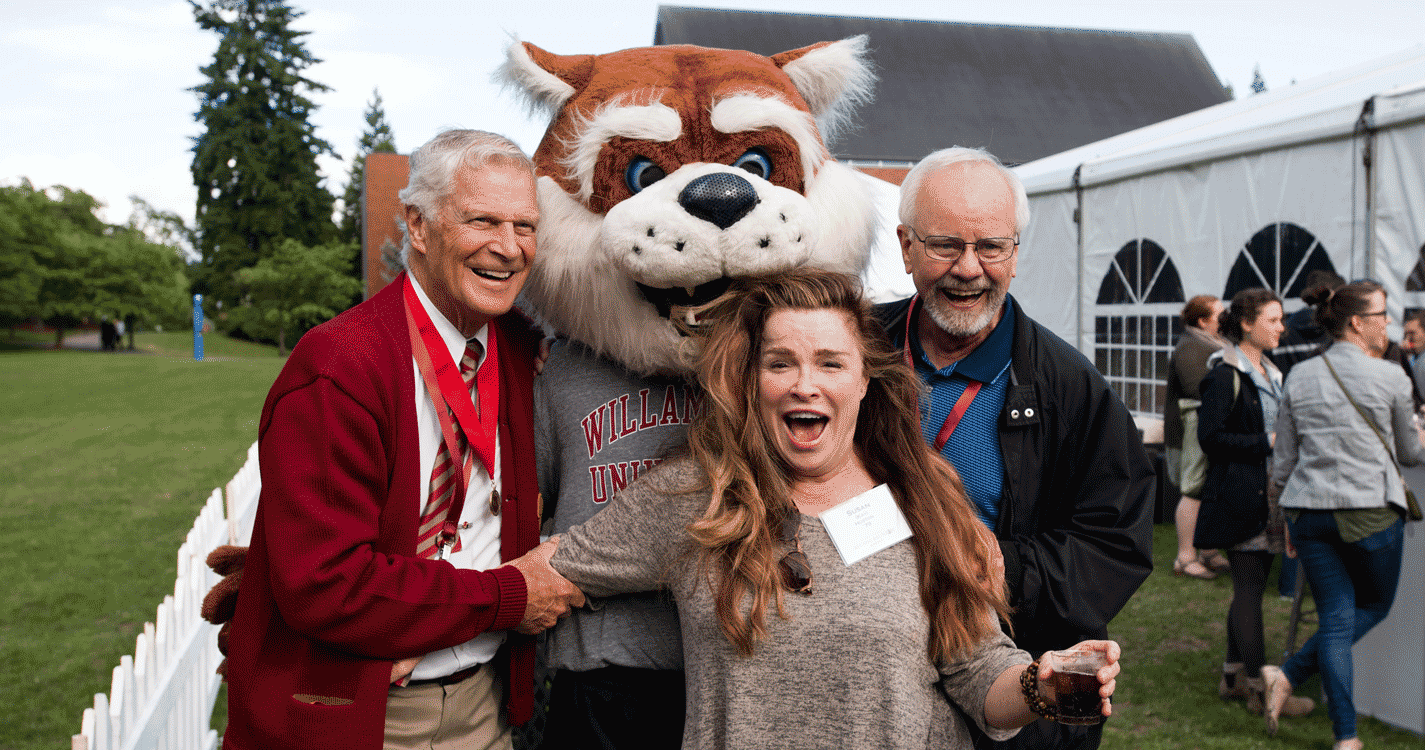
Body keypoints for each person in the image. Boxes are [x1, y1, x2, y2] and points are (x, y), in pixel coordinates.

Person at [544, 268, 1121, 749]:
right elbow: (547, 574)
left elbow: (977, 670)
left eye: (829, 363)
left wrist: (1038, 687)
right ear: (751, 380)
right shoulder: (698, 498)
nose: (804, 385)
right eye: (780, 364)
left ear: (865, 378)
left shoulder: (924, 503)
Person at [220, 129, 585, 750]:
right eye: (482, 221)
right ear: (418, 226)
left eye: (524, 226)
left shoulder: (523, 349)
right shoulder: (339, 366)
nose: (507, 247)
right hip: (362, 711)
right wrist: (506, 597)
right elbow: (325, 583)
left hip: (483, 702)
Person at [873, 147, 1154, 750]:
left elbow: (1117, 543)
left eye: (992, 246)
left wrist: (1000, 567)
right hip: (871, 682)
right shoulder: (854, 353)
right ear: (905, 247)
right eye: (945, 244)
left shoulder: (1070, 386)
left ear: (1016, 254)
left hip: (1009, 689)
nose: (968, 268)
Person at [1263, 280, 1425, 750]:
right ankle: (1299, 683)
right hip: (1369, 513)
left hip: (1309, 512)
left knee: (1336, 617)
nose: (1389, 324)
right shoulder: (1391, 375)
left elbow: (1284, 464)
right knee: (1370, 608)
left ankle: (1344, 735)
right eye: (1382, 315)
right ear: (1357, 322)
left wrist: (1284, 522)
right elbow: (1411, 453)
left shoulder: (1299, 375)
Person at [1194, 288, 1313, 719]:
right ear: (1247, 324)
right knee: (1248, 588)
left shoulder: (1272, 371)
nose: (1282, 327)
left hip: (1269, 496)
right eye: (1274, 319)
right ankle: (1260, 687)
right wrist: (1267, 441)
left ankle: (1231, 675)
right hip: (1241, 496)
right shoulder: (1224, 372)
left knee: (1251, 587)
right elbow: (1210, 438)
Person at [1164, 294, 1231, 581]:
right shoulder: (1191, 347)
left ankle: (1208, 552)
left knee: (1207, 489)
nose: (1225, 318)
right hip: (1191, 429)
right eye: (1220, 314)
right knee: (1193, 490)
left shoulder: (1212, 343)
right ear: (1203, 321)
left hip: (1206, 427)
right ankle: (1185, 557)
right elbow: (1197, 389)